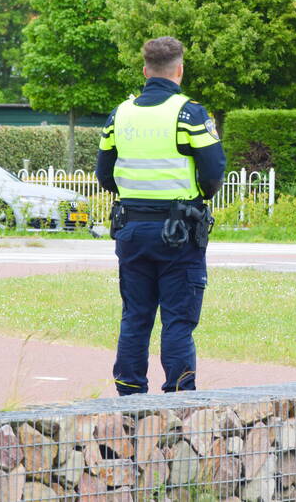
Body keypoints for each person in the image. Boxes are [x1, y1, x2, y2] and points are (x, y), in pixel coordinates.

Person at [96, 36, 226, 395]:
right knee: (178, 320)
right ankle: (180, 395)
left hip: (132, 228)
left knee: (135, 316)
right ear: (179, 70)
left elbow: (104, 174)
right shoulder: (190, 114)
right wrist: (196, 198)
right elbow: (214, 172)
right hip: (179, 232)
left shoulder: (120, 114)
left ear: (145, 69)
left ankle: (129, 392)